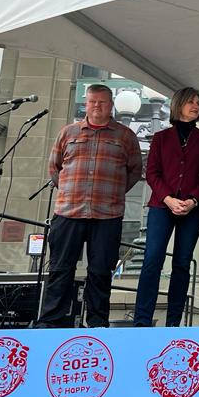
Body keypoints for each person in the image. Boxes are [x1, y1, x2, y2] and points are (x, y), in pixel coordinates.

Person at [38, 84, 142, 327]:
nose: (97, 106)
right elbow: (54, 168)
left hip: (107, 214)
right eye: (93, 101)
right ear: (86, 104)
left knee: (100, 271)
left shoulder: (125, 136)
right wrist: (70, 191)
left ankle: (97, 322)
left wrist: (112, 192)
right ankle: (51, 320)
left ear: (111, 105)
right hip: (69, 211)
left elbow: (135, 171)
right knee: (60, 268)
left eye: (103, 102)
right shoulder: (68, 133)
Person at [133, 87, 199, 327]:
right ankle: (142, 321)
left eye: (198, 102)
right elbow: (152, 173)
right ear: (178, 104)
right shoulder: (160, 138)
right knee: (152, 260)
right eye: (190, 101)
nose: (195, 106)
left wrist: (192, 200)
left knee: (182, 263)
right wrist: (168, 198)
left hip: (193, 209)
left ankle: (173, 323)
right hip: (161, 206)